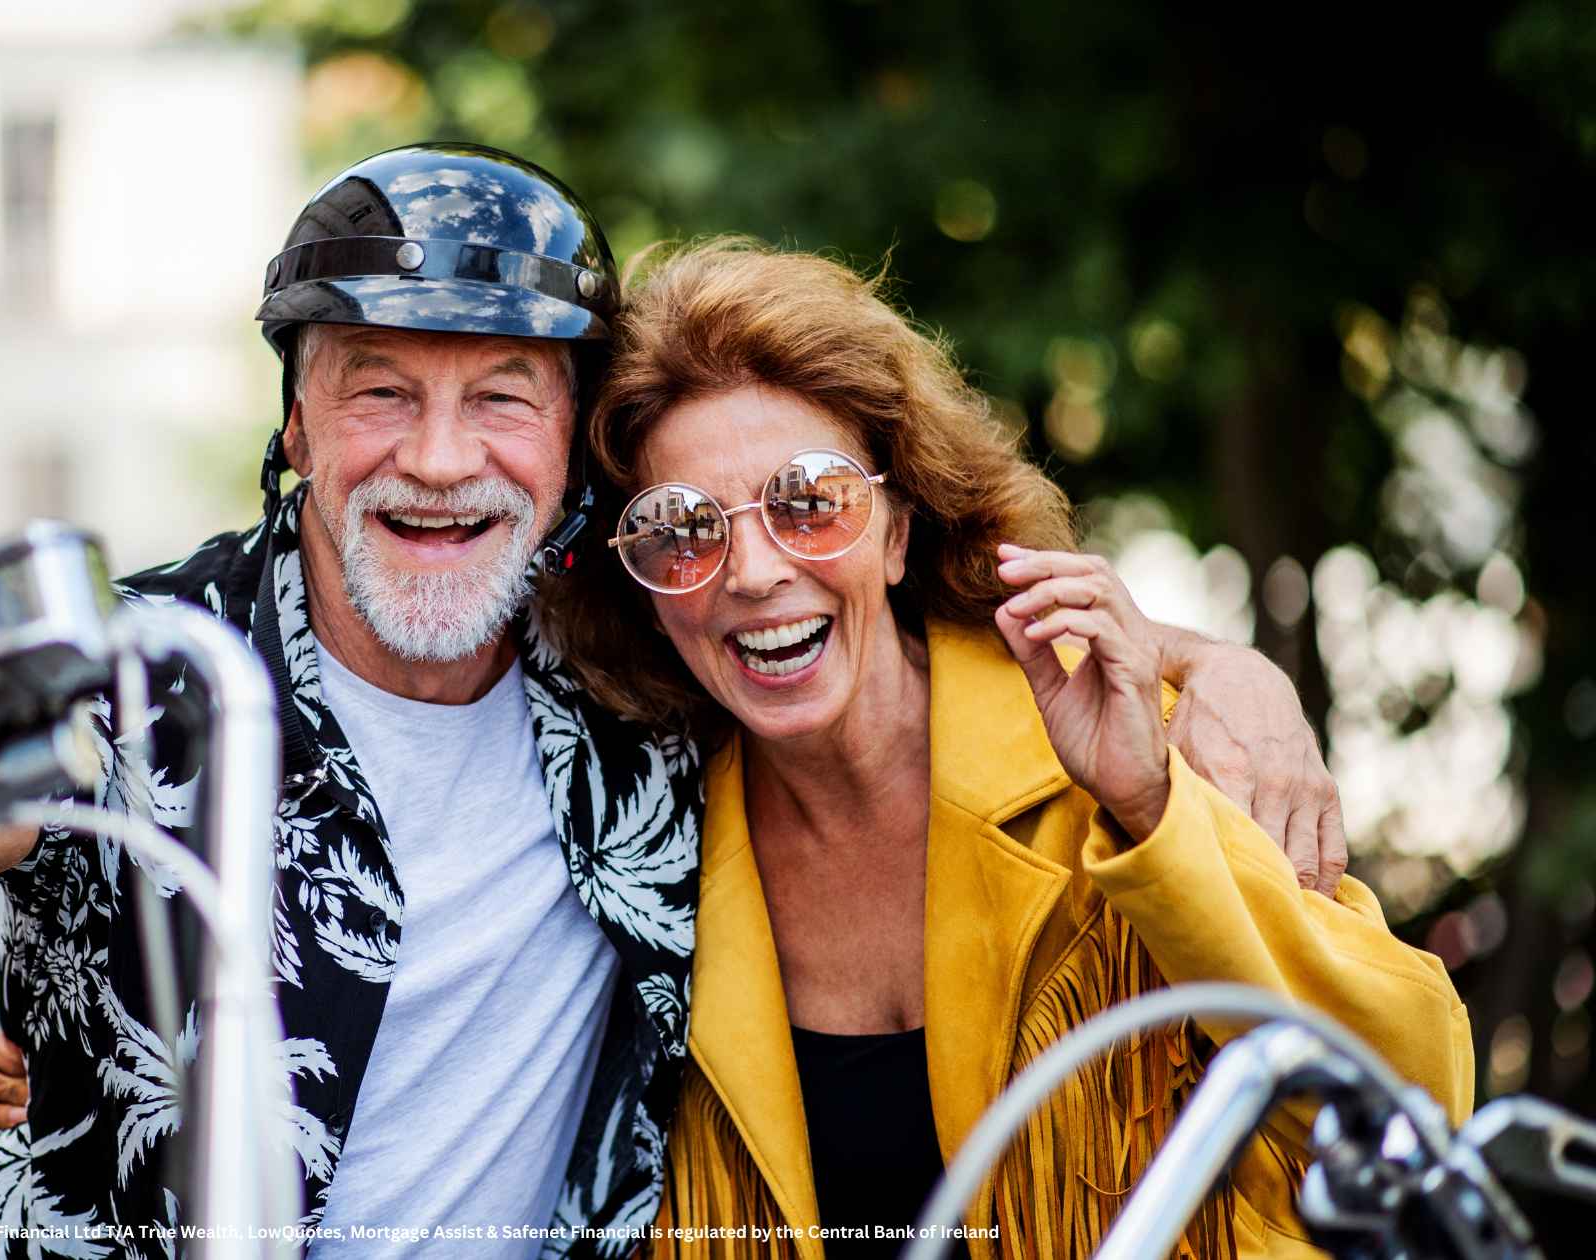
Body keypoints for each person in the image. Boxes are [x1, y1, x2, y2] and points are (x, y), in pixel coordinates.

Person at [0, 147, 1344, 1260]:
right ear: (296, 424)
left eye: (500, 397)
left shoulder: (641, 670)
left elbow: (914, 601)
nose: (438, 462)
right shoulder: (148, 669)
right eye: (379, 394)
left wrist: (1229, 675)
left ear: (570, 449)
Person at [541, 237, 1471, 1257]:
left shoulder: (1123, 744)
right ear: (642, 584)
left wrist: (1158, 810)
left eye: (807, 501)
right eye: (681, 529)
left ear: (895, 530)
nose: (752, 572)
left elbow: (1414, 1106)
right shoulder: (639, 849)